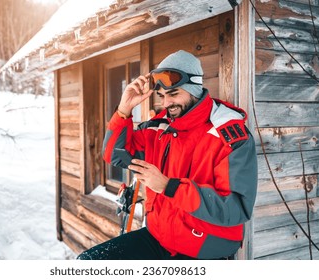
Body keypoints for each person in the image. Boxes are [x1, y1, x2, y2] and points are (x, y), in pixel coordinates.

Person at [77, 50, 258, 260]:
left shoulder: (228, 136)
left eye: (173, 94)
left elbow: (236, 208)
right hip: (159, 236)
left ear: (195, 90)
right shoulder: (159, 128)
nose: (165, 104)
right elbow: (117, 156)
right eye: (162, 96)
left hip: (204, 247)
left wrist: (167, 186)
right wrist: (124, 110)